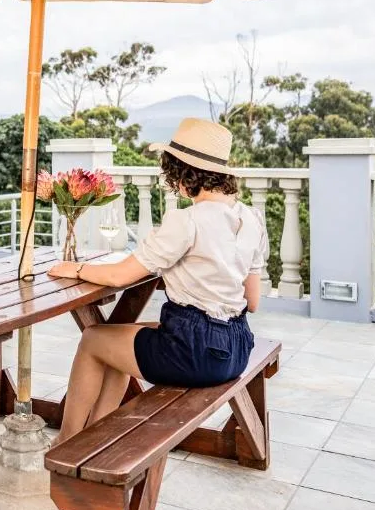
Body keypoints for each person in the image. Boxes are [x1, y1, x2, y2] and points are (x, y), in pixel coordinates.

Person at [48, 117, 267, 446]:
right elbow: (253, 301)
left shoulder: (187, 221)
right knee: (119, 340)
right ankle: (95, 435)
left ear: (184, 174)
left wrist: (74, 269)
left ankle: (67, 441)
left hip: (197, 354)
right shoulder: (251, 218)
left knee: (93, 339)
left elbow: (119, 275)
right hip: (236, 348)